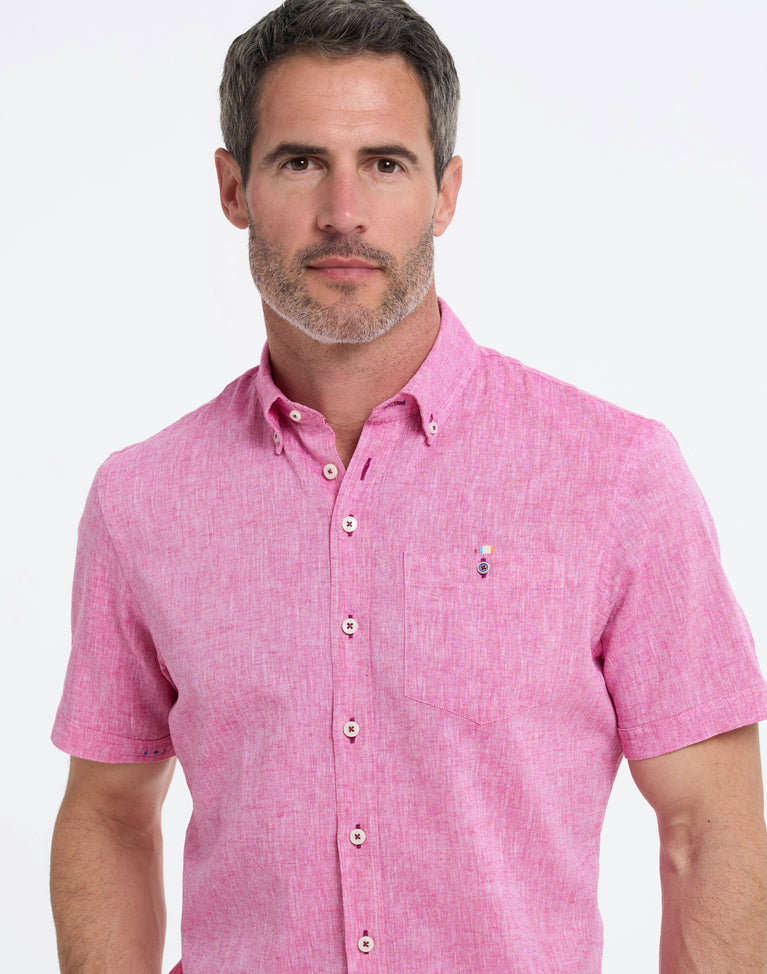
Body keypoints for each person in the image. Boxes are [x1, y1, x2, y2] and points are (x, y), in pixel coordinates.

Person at [49, 1, 767, 971]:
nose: (343, 210)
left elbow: (707, 824)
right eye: (300, 161)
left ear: (445, 192)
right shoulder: (143, 500)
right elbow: (106, 812)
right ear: (232, 187)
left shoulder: (614, 478)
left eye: (385, 163)